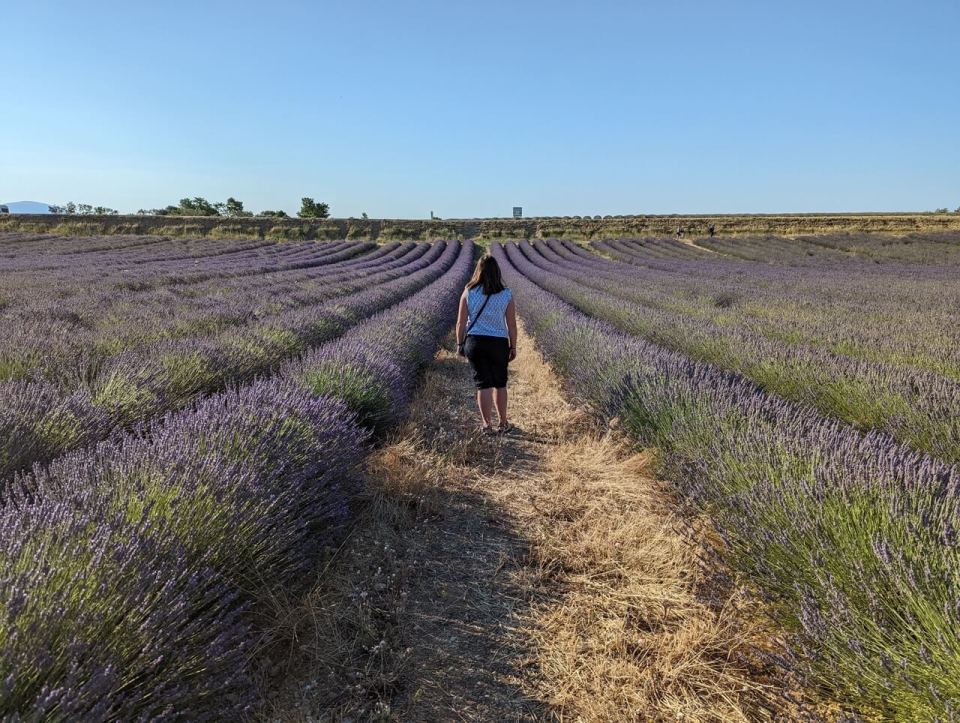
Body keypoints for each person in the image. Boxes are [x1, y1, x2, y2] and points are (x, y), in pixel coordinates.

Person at [456, 255, 518, 435]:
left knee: (483, 384)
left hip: (475, 342)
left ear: (479, 271)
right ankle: (503, 423)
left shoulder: (469, 291)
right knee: (500, 383)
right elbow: (512, 325)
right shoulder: (506, 294)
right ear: (497, 272)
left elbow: (460, 322)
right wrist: (513, 347)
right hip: (498, 343)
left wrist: (460, 343)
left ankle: (486, 425)